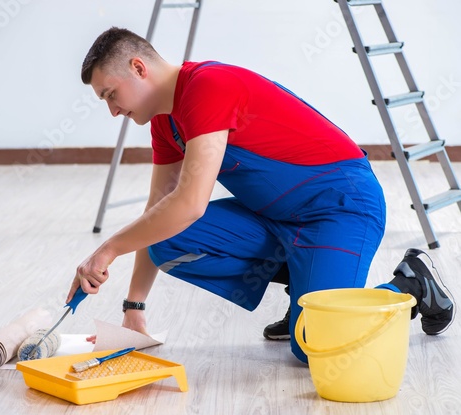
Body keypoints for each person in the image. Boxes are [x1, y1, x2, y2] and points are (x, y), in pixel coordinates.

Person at [67, 27, 455, 363]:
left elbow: (189, 204)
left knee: (315, 347)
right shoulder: (165, 124)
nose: (113, 111)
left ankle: (410, 284)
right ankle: (306, 290)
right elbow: (158, 211)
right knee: (164, 238)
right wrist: (134, 308)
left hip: (340, 208)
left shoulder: (207, 87)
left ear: (138, 68)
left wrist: (108, 249)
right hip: (277, 218)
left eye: (110, 94)